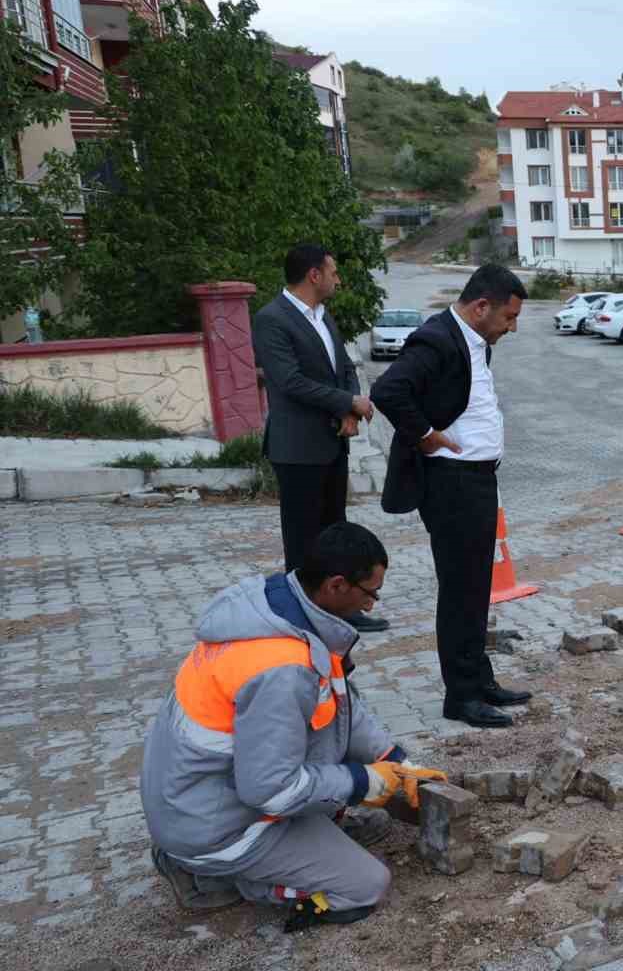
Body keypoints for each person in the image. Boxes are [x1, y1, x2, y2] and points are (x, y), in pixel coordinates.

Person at [139, 523, 446, 928]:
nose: (371, 606)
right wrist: (366, 783)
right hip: (211, 824)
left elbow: (338, 704)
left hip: (199, 795)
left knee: (337, 794)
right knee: (364, 886)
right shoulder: (281, 668)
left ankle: (306, 836)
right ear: (337, 585)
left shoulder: (281, 611)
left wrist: (396, 761)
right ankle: (211, 875)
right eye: (370, 593)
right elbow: (270, 788)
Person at [371, 264, 532, 729]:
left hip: (477, 480)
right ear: (481, 306)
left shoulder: (475, 341)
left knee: (476, 587)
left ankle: (479, 680)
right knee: (461, 590)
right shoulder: (437, 338)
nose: (513, 327)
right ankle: (460, 697)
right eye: (509, 316)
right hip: (452, 482)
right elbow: (387, 389)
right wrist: (424, 433)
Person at [252, 243, 387, 633]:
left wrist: (347, 410)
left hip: (332, 440)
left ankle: (342, 612)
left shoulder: (323, 316)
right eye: (333, 271)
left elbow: (343, 366)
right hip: (296, 447)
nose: (337, 278)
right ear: (314, 275)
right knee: (302, 538)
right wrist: (347, 402)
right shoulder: (272, 319)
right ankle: (302, 619)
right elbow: (289, 381)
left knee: (334, 534)